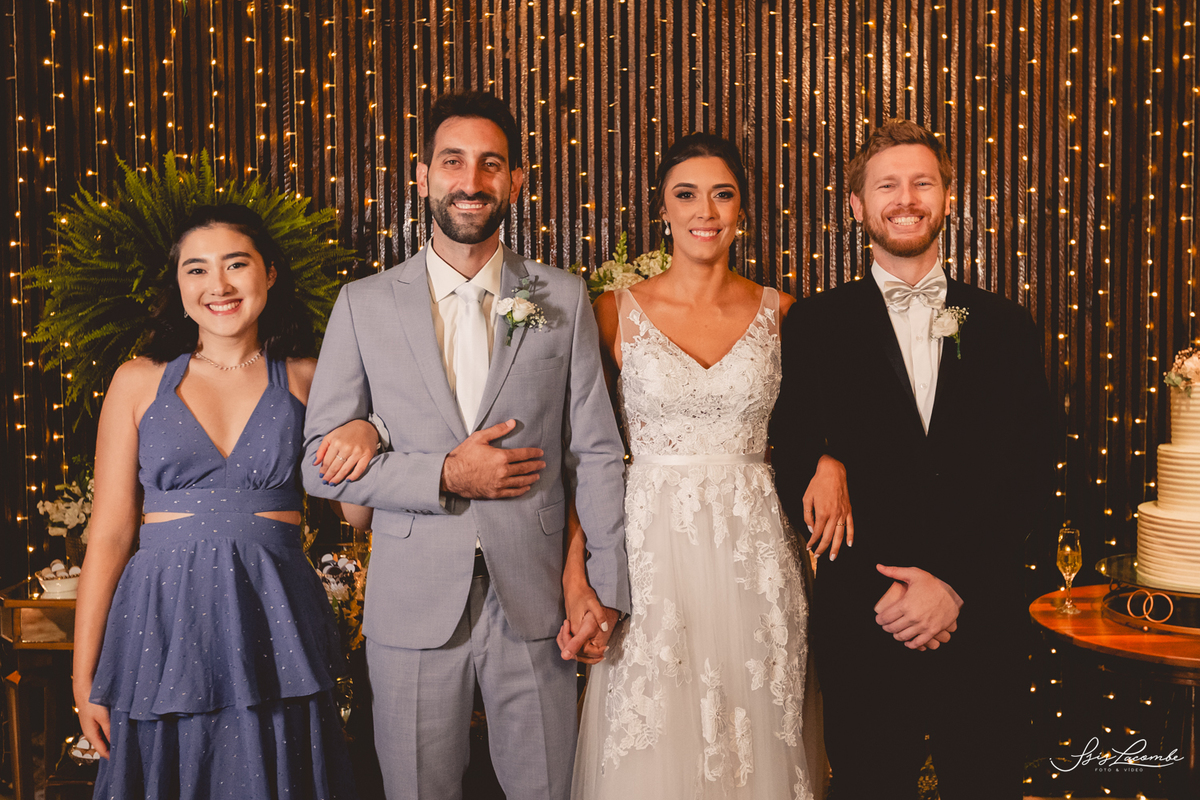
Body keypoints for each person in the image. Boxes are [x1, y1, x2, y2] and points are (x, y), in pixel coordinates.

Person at [300, 90, 629, 800]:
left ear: (517, 180)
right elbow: (319, 467)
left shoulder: (563, 297)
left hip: (538, 600)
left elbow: (596, 454)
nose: (471, 181)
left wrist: (605, 588)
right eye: (452, 161)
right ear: (422, 175)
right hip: (412, 602)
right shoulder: (363, 304)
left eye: (490, 164)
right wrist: (445, 474)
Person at [770, 119, 1054, 798]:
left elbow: (1031, 474)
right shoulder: (813, 324)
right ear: (856, 206)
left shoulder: (1006, 327)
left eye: (922, 183)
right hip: (866, 619)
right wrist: (824, 460)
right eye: (886, 186)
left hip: (979, 619)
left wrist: (953, 587)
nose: (906, 199)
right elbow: (788, 458)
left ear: (948, 198)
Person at [565, 133, 850, 800]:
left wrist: (831, 456)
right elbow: (585, 456)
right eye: (687, 194)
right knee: (655, 732)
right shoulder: (612, 313)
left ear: (742, 209)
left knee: (757, 733)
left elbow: (817, 425)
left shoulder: (784, 314)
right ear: (662, 209)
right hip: (649, 553)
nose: (706, 211)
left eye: (723, 195)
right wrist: (578, 573)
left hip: (755, 552)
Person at [73, 203, 374, 798]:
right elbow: (108, 535)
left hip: (274, 614)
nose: (219, 285)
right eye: (197, 269)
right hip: (158, 621)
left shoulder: (310, 377)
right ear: (178, 284)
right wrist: (85, 676)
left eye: (236, 264)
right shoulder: (137, 381)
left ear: (269, 273)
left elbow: (356, 515)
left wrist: (367, 432)